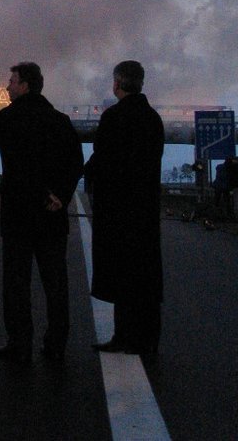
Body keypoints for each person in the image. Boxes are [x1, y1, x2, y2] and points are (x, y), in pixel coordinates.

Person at [0, 62, 83, 363]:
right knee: (55, 282)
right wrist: (60, 195)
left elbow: (17, 165)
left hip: (18, 213)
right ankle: (56, 344)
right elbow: (75, 162)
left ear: (25, 84)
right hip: (51, 214)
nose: (7, 86)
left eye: (12, 81)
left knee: (17, 283)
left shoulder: (6, 118)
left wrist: (42, 191)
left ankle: (19, 343)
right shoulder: (61, 121)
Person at [85, 60, 164, 356]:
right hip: (145, 209)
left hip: (118, 211)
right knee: (146, 276)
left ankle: (124, 336)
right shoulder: (153, 119)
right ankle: (149, 340)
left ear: (117, 83)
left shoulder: (114, 118)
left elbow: (102, 159)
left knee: (121, 275)